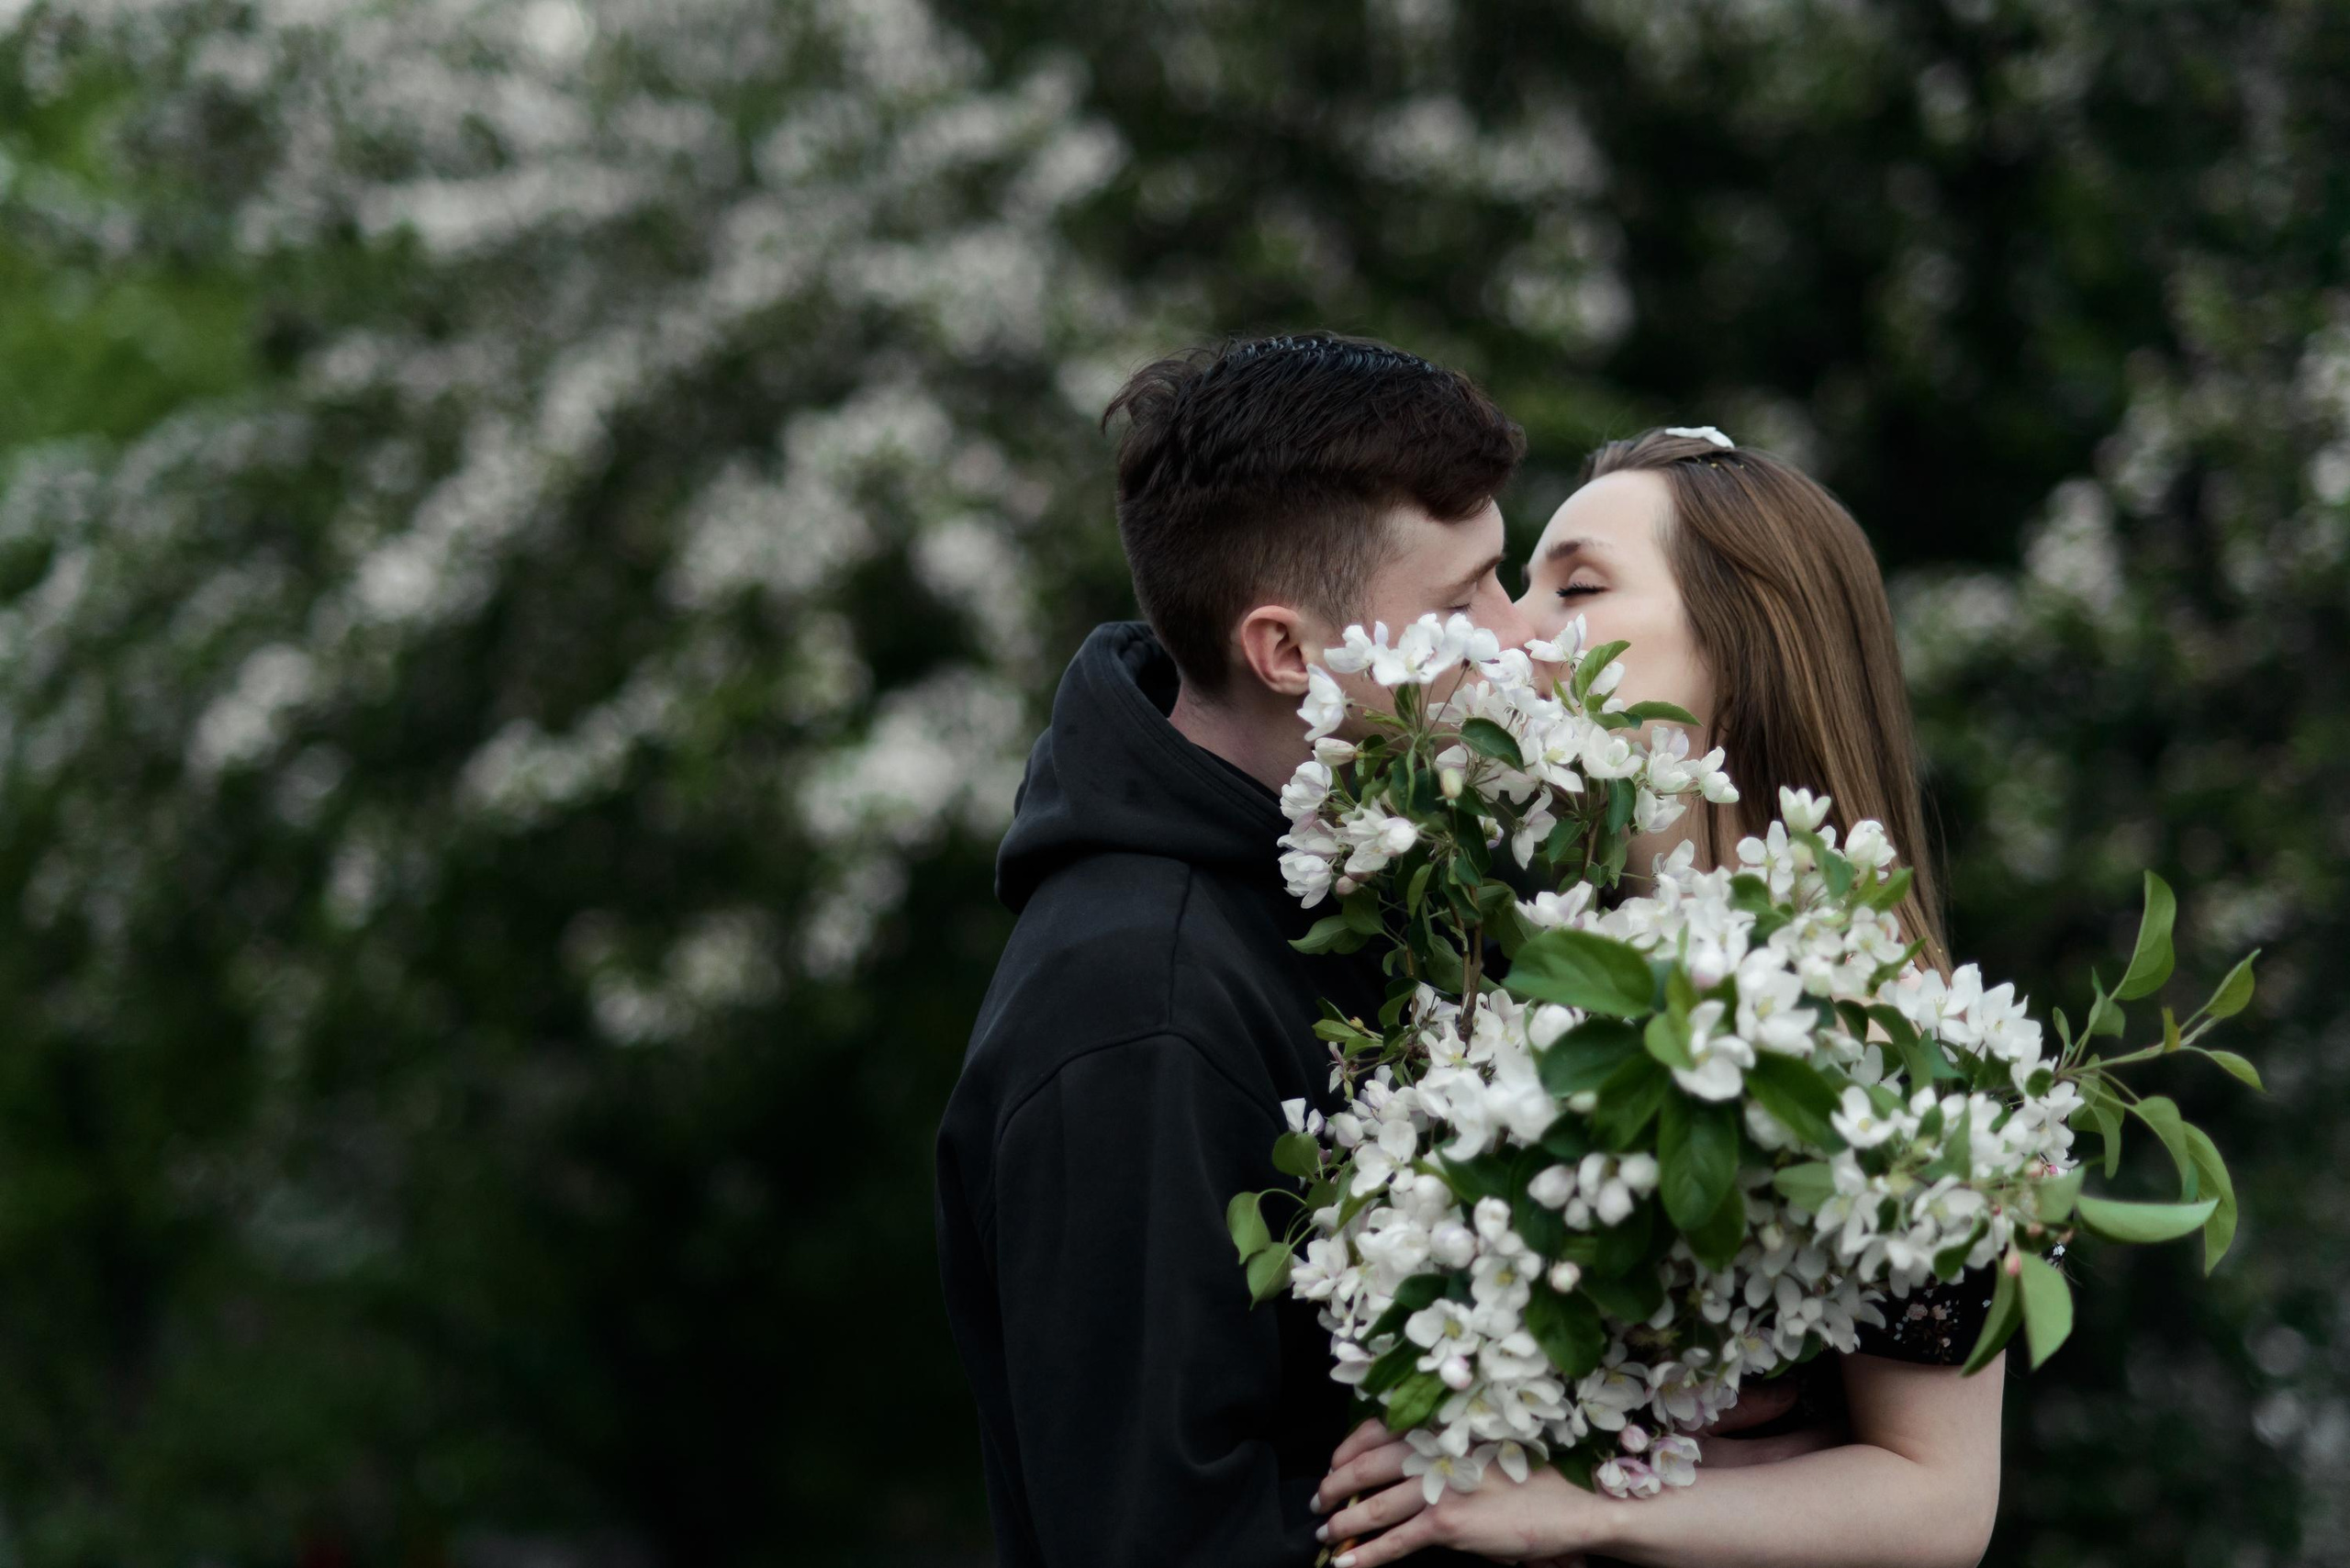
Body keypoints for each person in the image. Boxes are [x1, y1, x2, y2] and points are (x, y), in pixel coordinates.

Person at [1305, 428, 2006, 1568]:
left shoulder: (1873, 1024)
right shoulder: (1516, 962)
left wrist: (1588, 1501)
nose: (1512, 628)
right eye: (1517, 583)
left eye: (1574, 585)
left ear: (1748, 642)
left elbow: (1938, 1498)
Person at [933, 332, 1542, 1568]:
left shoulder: (1372, 883)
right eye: (1462, 601)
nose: (1521, 637)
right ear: (1287, 653)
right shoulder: (1135, 1008)